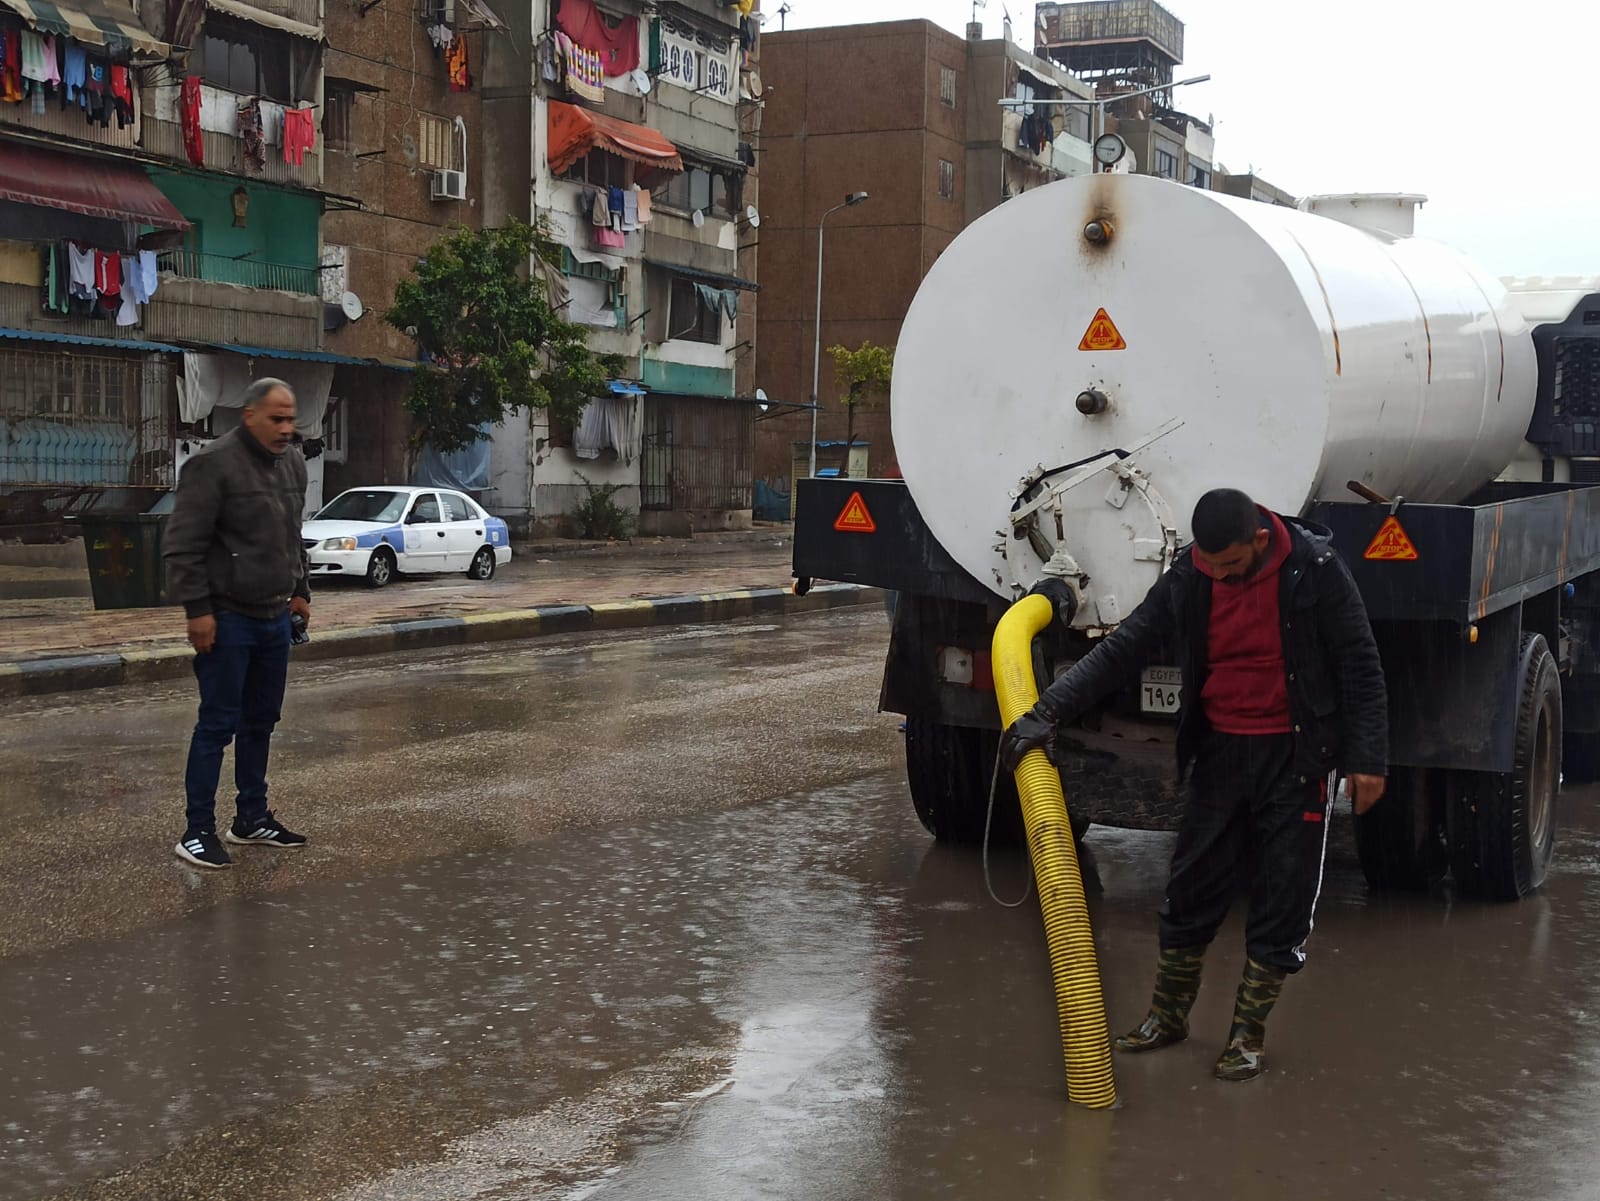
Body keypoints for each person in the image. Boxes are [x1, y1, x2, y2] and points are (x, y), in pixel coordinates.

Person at [1001, 488, 1388, 1081]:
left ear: (1259, 541)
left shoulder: (1316, 571)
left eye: (1232, 567)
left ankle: (1247, 1035)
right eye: (1213, 568)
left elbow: (1361, 664)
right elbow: (1128, 645)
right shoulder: (1193, 574)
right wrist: (1048, 710)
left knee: (1282, 896)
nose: (1223, 579)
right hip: (1220, 751)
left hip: (1296, 756)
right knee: (1191, 886)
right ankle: (1168, 1016)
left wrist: (1369, 760)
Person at [164, 378, 312, 869]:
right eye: (277, 419)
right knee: (217, 724)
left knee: (261, 722)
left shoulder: (292, 462)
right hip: (227, 618)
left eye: (291, 419)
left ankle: (251, 817)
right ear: (248, 415)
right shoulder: (213, 464)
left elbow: (292, 535)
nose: (287, 429)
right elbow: (182, 545)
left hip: (274, 617)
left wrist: (300, 592)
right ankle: (197, 831)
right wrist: (198, 611)